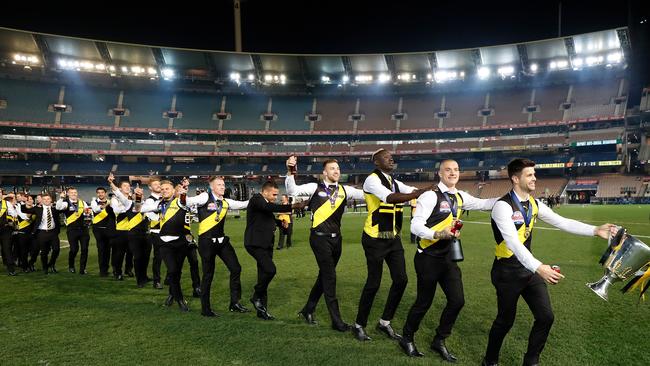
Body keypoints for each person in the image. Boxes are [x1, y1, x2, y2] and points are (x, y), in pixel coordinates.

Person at [482, 158, 615, 366]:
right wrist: (538, 267)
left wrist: (595, 230)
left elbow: (562, 222)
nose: (534, 178)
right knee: (505, 321)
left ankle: (531, 361)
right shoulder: (502, 206)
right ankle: (490, 361)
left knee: (546, 317)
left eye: (534, 174)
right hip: (506, 272)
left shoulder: (534, 204)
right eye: (529, 175)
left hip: (528, 269)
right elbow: (514, 244)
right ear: (515, 179)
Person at [399, 159, 499, 360]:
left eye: (456, 170)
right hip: (427, 258)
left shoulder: (460, 196)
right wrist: (437, 234)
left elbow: (485, 203)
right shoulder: (430, 196)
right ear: (440, 174)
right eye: (448, 170)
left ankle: (439, 340)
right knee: (423, 302)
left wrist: (511, 197)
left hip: (448, 259)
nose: (453, 173)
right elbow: (415, 226)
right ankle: (407, 338)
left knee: (457, 301)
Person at [352, 149, 431, 342]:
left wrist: (428, 190)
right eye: (387, 157)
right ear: (377, 162)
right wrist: (419, 193)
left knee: (401, 280)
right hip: (375, 238)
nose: (391, 159)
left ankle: (384, 322)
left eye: (391, 156)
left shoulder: (393, 180)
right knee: (373, 283)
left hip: (391, 236)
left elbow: (409, 190)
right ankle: (359, 325)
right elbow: (391, 198)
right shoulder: (372, 180)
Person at [285, 156, 365, 332]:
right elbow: (293, 190)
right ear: (324, 172)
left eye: (337, 168)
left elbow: (367, 193)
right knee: (330, 277)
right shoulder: (315, 187)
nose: (336, 171)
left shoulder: (345, 189)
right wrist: (291, 171)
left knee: (324, 276)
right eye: (332, 168)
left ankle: (308, 309)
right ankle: (337, 322)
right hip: (319, 239)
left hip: (337, 239)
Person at [188, 176, 249, 317]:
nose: (223, 186)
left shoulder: (226, 202)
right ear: (212, 187)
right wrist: (183, 194)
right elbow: (190, 201)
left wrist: (260, 198)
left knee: (236, 268)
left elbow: (244, 204)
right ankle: (205, 309)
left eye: (223, 184)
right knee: (208, 275)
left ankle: (234, 303)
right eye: (219, 184)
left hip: (222, 242)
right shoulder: (204, 197)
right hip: (206, 242)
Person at [244, 180, 306, 320]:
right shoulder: (257, 199)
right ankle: (256, 296)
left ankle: (262, 311)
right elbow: (268, 208)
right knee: (271, 270)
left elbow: (267, 218)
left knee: (263, 275)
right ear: (265, 191)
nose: (275, 197)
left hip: (266, 244)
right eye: (274, 194)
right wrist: (293, 206)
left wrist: (279, 223)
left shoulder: (264, 203)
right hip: (255, 244)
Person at [141, 179, 205, 312]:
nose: (164, 191)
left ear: (173, 191)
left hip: (180, 242)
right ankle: (180, 299)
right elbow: (137, 208)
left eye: (167, 189)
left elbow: (190, 199)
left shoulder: (180, 201)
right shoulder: (158, 204)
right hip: (164, 243)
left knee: (177, 271)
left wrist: (183, 192)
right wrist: (136, 197)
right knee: (172, 271)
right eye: (162, 189)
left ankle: (172, 294)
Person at [23, 194, 63, 274]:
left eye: (48, 199)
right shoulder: (37, 209)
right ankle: (45, 267)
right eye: (44, 199)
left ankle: (51, 265)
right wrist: (26, 203)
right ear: (42, 201)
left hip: (53, 232)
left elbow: (63, 208)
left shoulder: (55, 209)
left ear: (51, 200)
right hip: (41, 233)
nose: (46, 201)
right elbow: (26, 210)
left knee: (56, 249)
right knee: (44, 252)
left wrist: (61, 198)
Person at [56, 187, 91, 274]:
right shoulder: (66, 203)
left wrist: (88, 214)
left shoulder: (82, 202)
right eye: (71, 193)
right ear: (68, 194)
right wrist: (61, 198)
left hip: (84, 229)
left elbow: (89, 212)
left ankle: (83, 268)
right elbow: (58, 207)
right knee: (74, 249)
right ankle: (71, 266)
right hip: (72, 230)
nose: (74, 194)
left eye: (75, 192)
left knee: (85, 249)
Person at [143, 178, 164, 289]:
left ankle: (169, 278)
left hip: (168, 231)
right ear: (150, 187)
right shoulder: (150, 201)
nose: (158, 186)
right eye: (155, 184)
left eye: (159, 184)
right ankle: (156, 281)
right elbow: (151, 216)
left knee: (172, 256)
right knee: (158, 257)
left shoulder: (165, 198)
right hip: (156, 232)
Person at [91, 187, 115, 277]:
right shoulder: (94, 202)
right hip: (98, 229)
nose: (100, 194)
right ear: (97, 194)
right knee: (101, 249)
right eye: (98, 193)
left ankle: (106, 269)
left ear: (105, 193)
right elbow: (96, 209)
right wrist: (108, 204)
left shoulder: (110, 202)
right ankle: (102, 271)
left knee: (108, 250)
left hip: (109, 229)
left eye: (102, 192)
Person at [0, 190, 18, 275]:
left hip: (5, 230)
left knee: (7, 248)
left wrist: (11, 221)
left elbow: (14, 214)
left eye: (0, 192)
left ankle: (11, 269)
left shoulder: (7, 203)